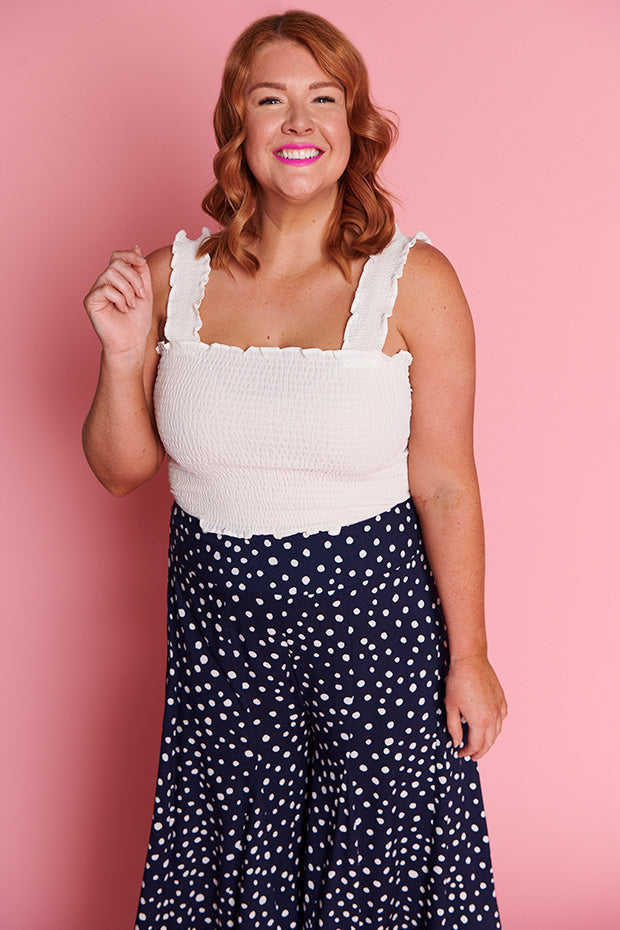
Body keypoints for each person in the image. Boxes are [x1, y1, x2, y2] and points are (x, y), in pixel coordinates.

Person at [83, 10, 507, 929]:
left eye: (324, 99)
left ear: (355, 125)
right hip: (221, 654)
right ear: (237, 124)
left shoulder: (416, 282)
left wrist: (470, 657)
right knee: (234, 883)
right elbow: (121, 471)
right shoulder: (171, 278)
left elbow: (445, 485)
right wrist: (121, 355)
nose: (299, 122)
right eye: (271, 100)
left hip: (378, 648)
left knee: (376, 884)